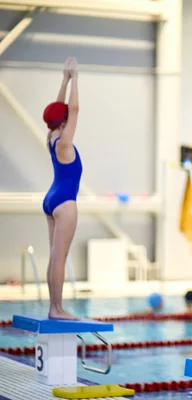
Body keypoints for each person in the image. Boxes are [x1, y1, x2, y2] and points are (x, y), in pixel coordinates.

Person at [42, 57, 82, 320]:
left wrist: (64, 80)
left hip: (51, 198)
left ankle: (53, 307)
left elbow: (61, 110)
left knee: (54, 256)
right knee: (60, 257)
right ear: (64, 121)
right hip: (65, 202)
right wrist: (76, 78)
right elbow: (74, 110)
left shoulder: (51, 136)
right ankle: (57, 309)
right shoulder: (65, 143)